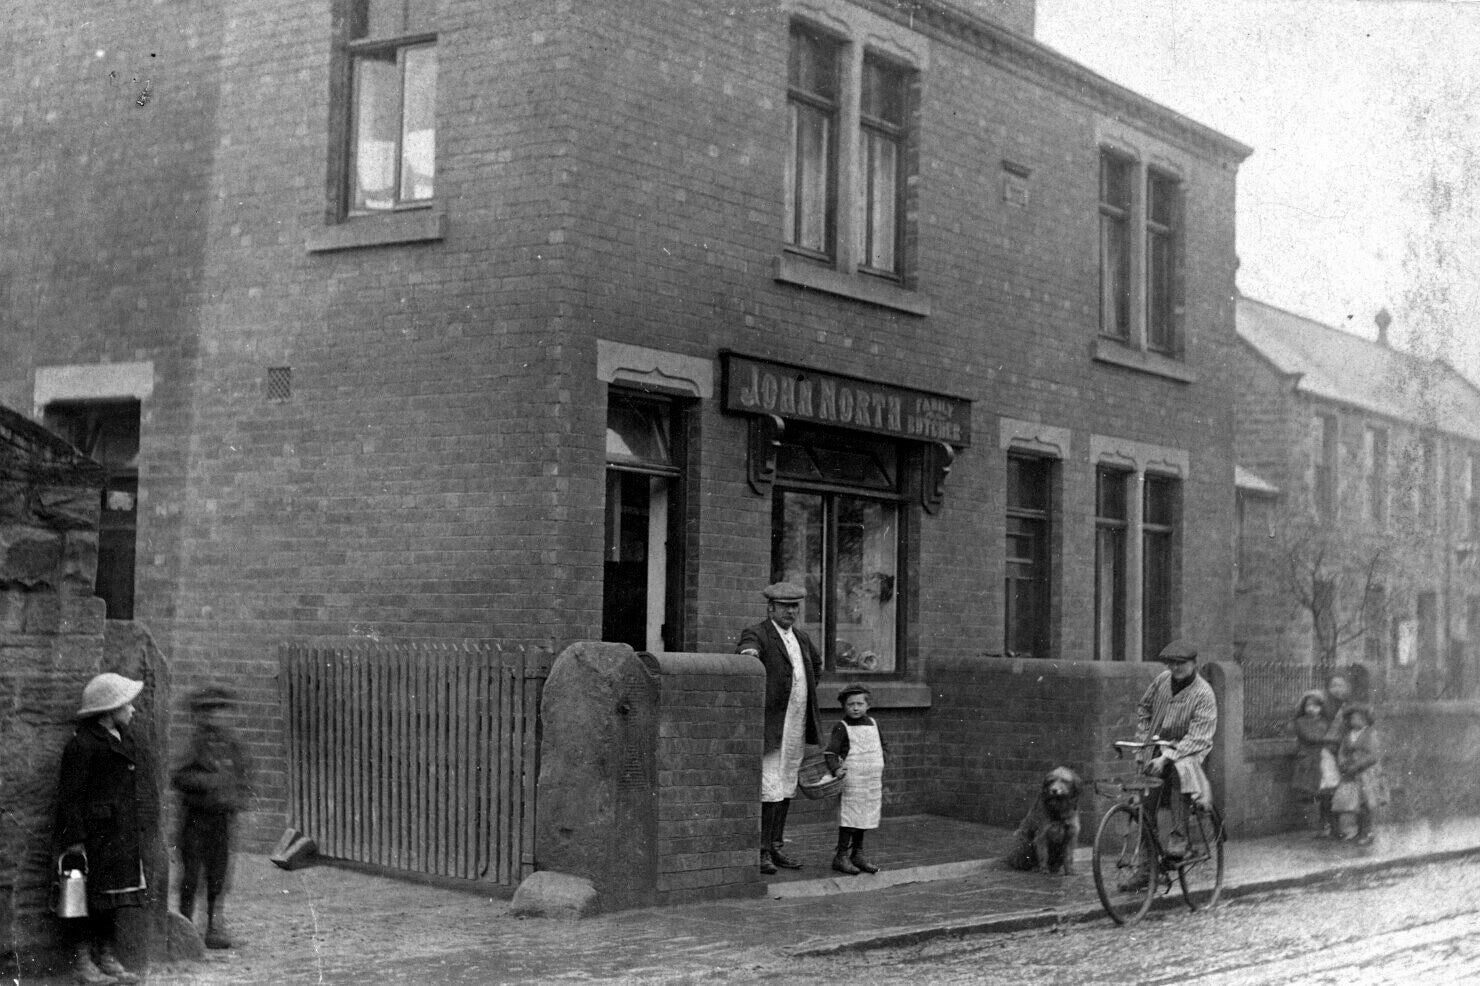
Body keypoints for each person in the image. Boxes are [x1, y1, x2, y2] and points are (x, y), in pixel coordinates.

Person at [55, 673, 154, 985]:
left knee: (111, 900)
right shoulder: (83, 745)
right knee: (83, 899)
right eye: (127, 704)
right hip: (93, 837)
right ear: (110, 710)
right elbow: (70, 798)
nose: (132, 709)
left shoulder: (125, 739)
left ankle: (107, 956)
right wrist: (74, 841)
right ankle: (83, 961)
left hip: (119, 835)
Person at [736, 580, 822, 874]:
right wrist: (750, 655)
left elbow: (816, 667)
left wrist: (802, 692)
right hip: (772, 725)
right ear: (770, 607)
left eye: (794, 606)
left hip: (797, 723)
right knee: (769, 783)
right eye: (785, 606)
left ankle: (775, 846)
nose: (791, 612)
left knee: (787, 782)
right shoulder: (758, 633)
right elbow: (747, 652)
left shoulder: (802, 638)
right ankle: (761, 851)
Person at [1121, 639, 1218, 890]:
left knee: (1179, 770)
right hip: (1155, 749)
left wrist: (1167, 757)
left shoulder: (1204, 693)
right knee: (1144, 808)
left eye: (1181, 663)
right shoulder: (1162, 681)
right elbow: (1144, 708)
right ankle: (1146, 870)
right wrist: (1143, 743)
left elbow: (1198, 737)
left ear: (1194, 663)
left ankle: (1179, 839)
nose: (1175, 668)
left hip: (1189, 752)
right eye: (1171, 663)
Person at [171, 685, 252, 949]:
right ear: (199, 715)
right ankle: (185, 925)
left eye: (220, 709)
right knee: (191, 875)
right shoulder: (192, 744)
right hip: (195, 818)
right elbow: (178, 776)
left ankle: (214, 926)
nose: (215, 715)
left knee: (218, 874)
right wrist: (208, 782)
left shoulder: (234, 745)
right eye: (209, 710)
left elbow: (244, 777)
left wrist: (237, 798)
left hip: (221, 820)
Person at [822, 684, 886, 875]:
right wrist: (836, 769)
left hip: (871, 780)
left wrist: (881, 762)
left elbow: (883, 746)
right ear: (844, 706)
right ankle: (841, 856)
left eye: (860, 704)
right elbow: (830, 753)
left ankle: (857, 854)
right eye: (851, 704)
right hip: (853, 781)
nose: (856, 708)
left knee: (864, 817)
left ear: (868, 705)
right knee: (850, 817)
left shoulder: (873, 723)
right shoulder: (842, 727)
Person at [1332, 703, 1387, 845]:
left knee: (1367, 803)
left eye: (1359, 718)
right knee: (1355, 804)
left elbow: (1373, 756)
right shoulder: (1348, 736)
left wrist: (1357, 766)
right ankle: (1359, 831)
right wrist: (1343, 764)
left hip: (1367, 773)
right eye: (1353, 718)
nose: (1355, 720)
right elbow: (1342, 752)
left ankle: (1368, 832)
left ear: (1366, 720)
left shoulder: (1371, 734)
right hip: (1352, 773)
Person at [1313, 672, 1353, 839]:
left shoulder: (1348, 705)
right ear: (1328, 688)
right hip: (1328, 750)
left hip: (1344, 751)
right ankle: (1329, 826)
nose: (1337, 689)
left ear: (1346, 687)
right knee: (1328, 788)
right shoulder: (1323, 706)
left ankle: (1333, 826)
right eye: (1333, 685)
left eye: (1340, 685)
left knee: (1339, 790)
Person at [1290, 690, 1331, 833]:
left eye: (1315, 706)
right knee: (1309, 793)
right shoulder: (1300, 722)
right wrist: (1325, 737)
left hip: (1322, 759)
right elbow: (1311, 736)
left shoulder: (1325, 721)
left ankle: (1324, 823)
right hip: (1308, 760)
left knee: (1325, 792)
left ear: (1321, 707)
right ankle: (1311, 825)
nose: (1311, 709)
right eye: (1308, 705)